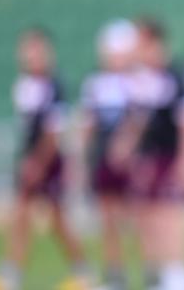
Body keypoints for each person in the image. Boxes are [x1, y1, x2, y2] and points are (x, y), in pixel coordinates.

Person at [0, 28, 89, 290]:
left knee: (57, 219)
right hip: (31, 159)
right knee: (20, 215)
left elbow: (54, 131)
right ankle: (11, 273)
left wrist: (38, 163)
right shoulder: (24, 84)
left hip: (48, 161)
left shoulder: (55, 85)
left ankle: (82, 272)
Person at [122, 18, 184, 290]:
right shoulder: (142, 79)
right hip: (148, 159)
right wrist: (131, 150)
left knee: (169, 214)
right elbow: (139, 120)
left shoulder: (174, 75)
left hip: (169, 156)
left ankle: (180, 274)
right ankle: (157, 272)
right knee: (145, 214)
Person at [79, 19, 137, 290]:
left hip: (132, 162)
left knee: (138, 217)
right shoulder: (96, 82)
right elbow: (88, 123)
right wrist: (82, 158)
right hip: (104, 159)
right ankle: (115, 273)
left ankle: (153, 270)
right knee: (108, 218)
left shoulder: (137, 82)